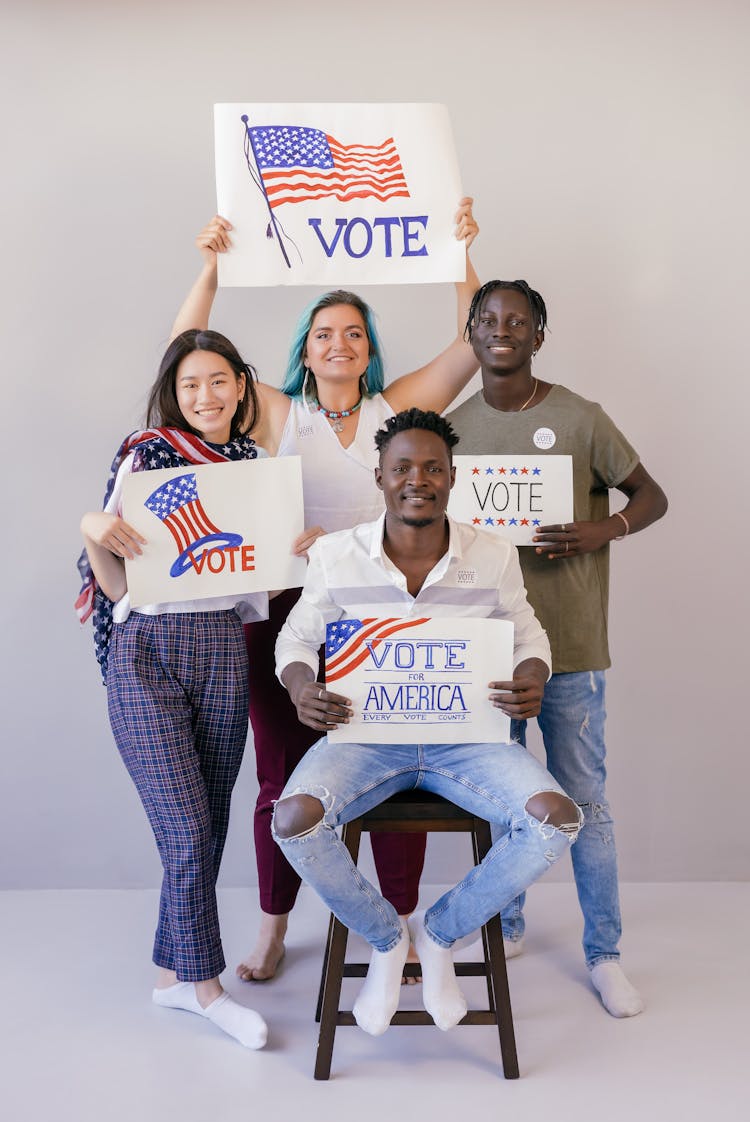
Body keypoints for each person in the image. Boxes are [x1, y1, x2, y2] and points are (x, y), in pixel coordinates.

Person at [171, 203, 480, 982]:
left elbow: (472, 345)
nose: (338, 342)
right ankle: (275, 927)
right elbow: (185, 355)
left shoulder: (397, 408)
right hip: (282, 620)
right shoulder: (278, 410)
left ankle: (401, 922)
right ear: (303, 352)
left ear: (369, 348)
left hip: (382, 617)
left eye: (352, 331)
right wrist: (209, 269)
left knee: (392, 769)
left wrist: (461, 254)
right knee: (280, 777)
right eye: (323, 332)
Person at [270, 409, 582, 1036]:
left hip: (464, 741)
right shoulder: (336, 556)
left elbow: (529, 634)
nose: (419, 479)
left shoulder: (491, 555)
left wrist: (533, 676)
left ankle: (440, 933)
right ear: (381, 479)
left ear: (453, 476)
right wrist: (303, 687)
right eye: (403, 468)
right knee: (293, 820)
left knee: (556, 819)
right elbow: (295, 643)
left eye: (433, 468)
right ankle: (388, 939)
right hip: (366, 738)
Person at [448, 280, 668, 1017]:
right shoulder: (451, 427)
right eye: (488, 319)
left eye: (517, 320)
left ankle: (604, 955)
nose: (501, 329)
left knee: (584, 802)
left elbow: (650, 495)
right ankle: (505, 925)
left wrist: (603, 529)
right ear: (472, 333)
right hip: (487, 651)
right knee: (503, 802)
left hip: (571, 646)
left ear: (538, 335)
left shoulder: (580, 417)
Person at [76, 330, 272, 1050]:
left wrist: (295, 546)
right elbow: (115, 581)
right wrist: (93, 526)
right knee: (186, 831)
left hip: (223, 643)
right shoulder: (149, 453)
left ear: (241, 386)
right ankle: (207, 988)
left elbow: (257, 583)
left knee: (208, 824)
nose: (205, 396)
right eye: (191, 384)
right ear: (174, 391)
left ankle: (169, 977)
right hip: (148, 651)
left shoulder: (254, 466)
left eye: (219, 381)